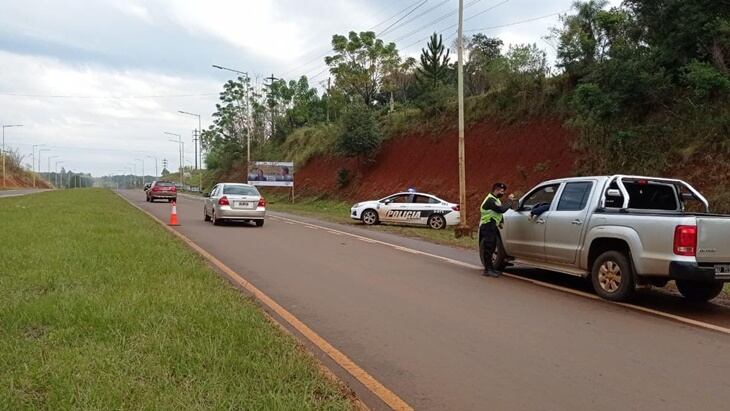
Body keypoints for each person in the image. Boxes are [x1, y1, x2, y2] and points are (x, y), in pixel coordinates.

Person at [480, 182, 515, 277]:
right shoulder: (490, 200)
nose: (502, 193)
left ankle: (491, 268)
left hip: (492, 225)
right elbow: (501, 210)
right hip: (487, 225)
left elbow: (498, 213)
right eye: (502, 191)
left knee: (492, 248)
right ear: (496, 190)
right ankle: (487, 270)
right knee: (488, 248)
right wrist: (510, 201)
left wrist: (500, 222)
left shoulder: (496, 200)